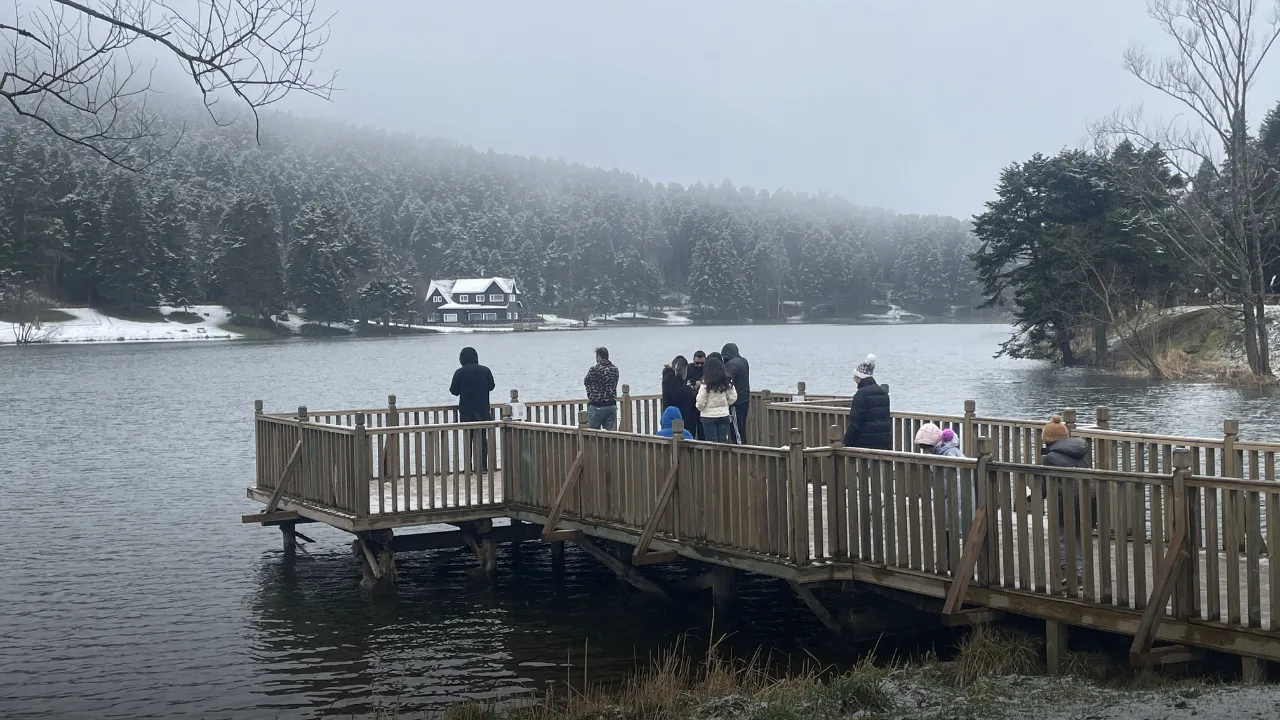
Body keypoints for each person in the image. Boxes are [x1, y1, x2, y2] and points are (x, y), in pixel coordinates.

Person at [1040, 416, 1091, 589]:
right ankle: (1079, 575)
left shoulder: (1050, 458)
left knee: (1062, 538)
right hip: (1088, 500)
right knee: (1077, 537)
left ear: (1047, 439)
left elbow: (1043, 486)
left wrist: (1033, 495)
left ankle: (1067, 576)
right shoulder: (1079, 452)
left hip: (1065, 503)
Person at [450, 346, 495, 472]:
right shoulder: (485, 371)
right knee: (482, 439)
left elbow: (454, 391)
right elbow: (491, 386)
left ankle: (468, 467)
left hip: (467, 412)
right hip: (483, 411)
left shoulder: (460, 372)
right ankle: (483, 466)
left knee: (467, 440)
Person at [843, 354, 891, 449]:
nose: (855, 380)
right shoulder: (883, 393)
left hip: (865, 443)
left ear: (860, 378)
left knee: (864, 464)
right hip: (883, 442)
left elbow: (855, 422)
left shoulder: (860, 395)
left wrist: (847, 441)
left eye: (855, 378)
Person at [695, 355, 738, 443]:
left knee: (712, 443)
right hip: (723, 415)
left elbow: (700, 401)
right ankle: (723, 457)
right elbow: (733, 397)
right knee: (723, 442)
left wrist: (702, 409)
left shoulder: (705, 383)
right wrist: (725, 405)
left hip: (708, 416)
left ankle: (713, 457)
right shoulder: (726, 381)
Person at [662, 355, 699, 437]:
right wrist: (693, 391)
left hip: (669, 415)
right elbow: (683, 395)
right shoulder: (674, 381)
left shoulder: (667, 378)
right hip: (683, 416)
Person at [584, 346, 619, 430]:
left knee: (591, 435)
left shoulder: (594, 369)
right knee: (611, 436)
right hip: (611, 405)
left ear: (599, 357)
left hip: (597, 405)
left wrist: (591, 394)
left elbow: (586, 382)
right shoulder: (615, 369)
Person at [721, 343, 750, 443]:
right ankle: (743, 445)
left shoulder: (731, 365)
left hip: (735, 402)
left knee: (736, 428)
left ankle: (740, 449)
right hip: (745, 399)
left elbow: (728, 382)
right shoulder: (744, 361)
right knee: (741, 427)